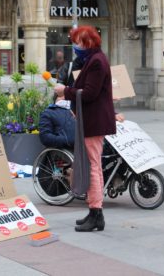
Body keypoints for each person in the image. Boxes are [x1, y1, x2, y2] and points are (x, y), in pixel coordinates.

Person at [54, 25, 116, 232]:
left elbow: (89, 93)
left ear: (88, 41)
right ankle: (94, 211)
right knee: (92, 165)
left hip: (94, 120)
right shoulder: (93, 59)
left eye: (78, 41)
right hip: (91, 119)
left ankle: (96, 213)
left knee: (93, 166)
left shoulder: (97, 61)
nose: (75, 45)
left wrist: (66, 91)